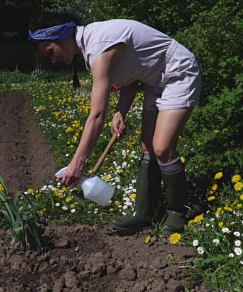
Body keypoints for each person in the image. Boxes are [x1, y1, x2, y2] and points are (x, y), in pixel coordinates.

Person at [29, 13, 201, 233]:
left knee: (162, 148)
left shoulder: (98, 48)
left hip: (178, 72)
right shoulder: (91, 47)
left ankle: (176, 213)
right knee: (147, 147)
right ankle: (143, 214)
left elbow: (97, 115)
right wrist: (121, 111)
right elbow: (130, 76)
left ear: (62, 38)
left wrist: (78, 163)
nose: (52, 59)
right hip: (154, 81)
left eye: (51, 52)